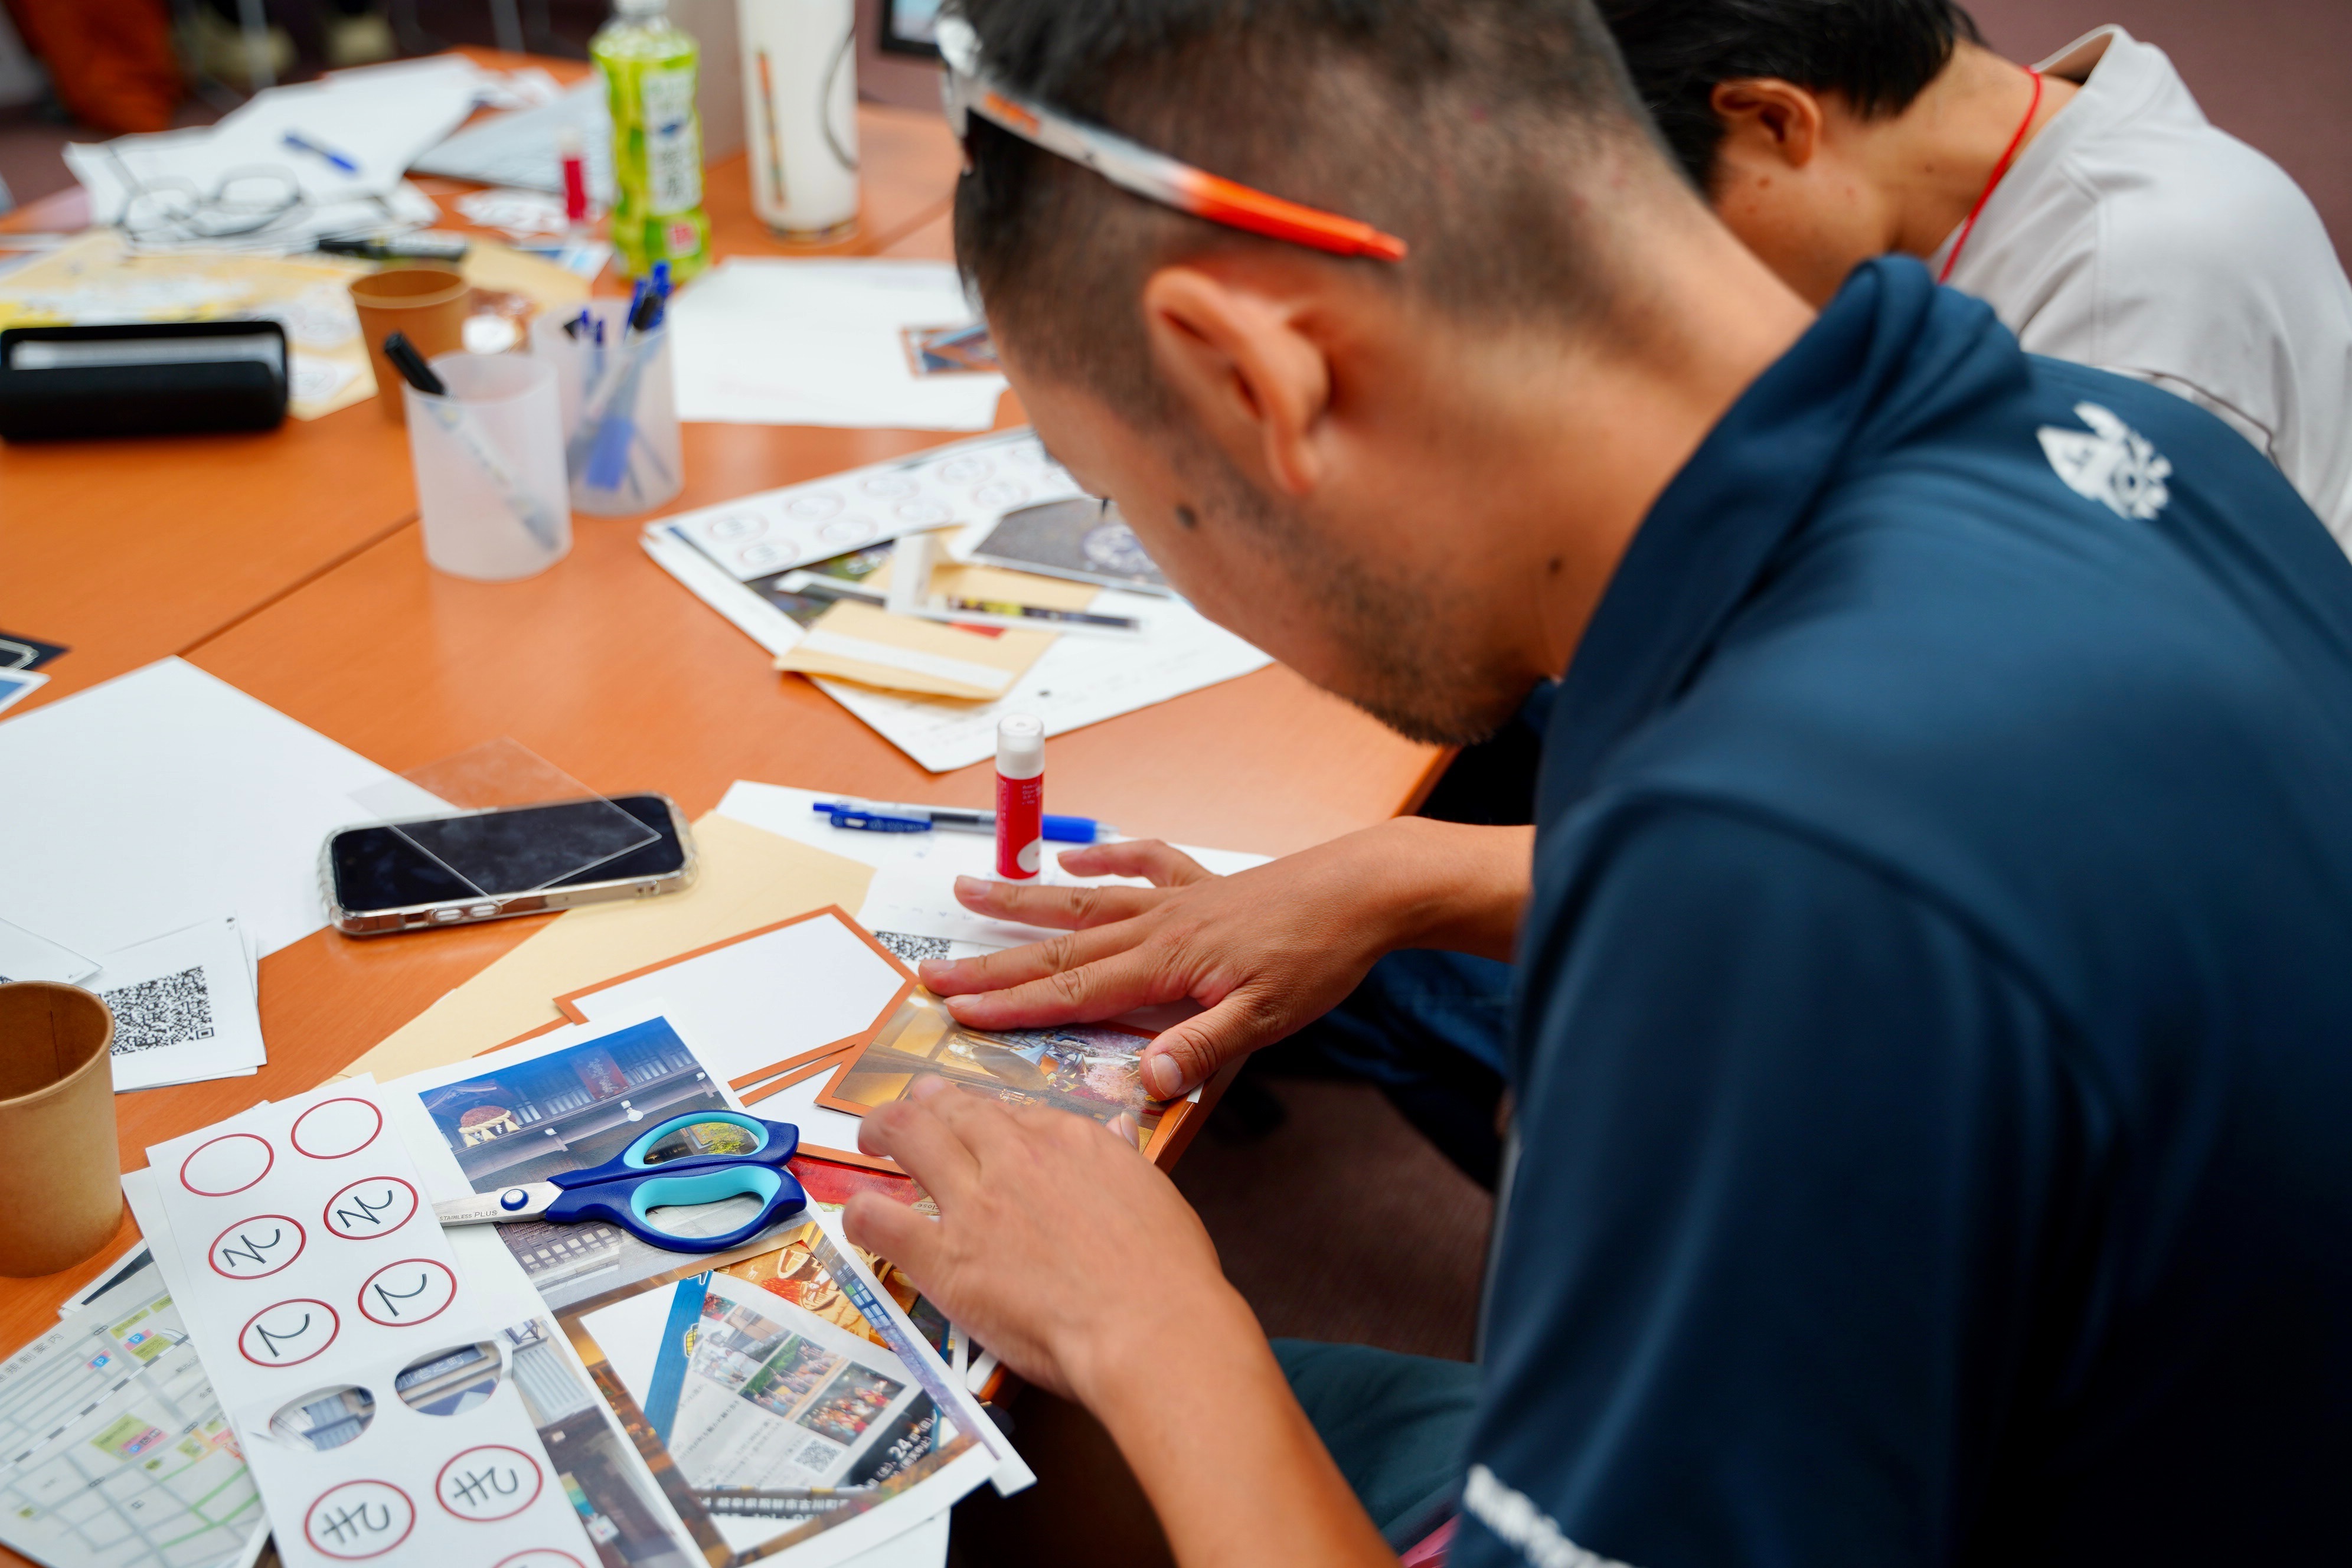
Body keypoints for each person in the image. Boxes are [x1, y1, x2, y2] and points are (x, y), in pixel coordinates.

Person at [837, 1, 2352, 1563]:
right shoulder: (2104, 435)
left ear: (1261, 377)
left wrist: (1147, 1320)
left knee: (974, 1459)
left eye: (1124, 501)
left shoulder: (1770, 877)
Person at [1597, 0, 2352, 553]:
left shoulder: (2128, 289)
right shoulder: (2030, 161)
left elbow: (2056, 678)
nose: (1696, 280)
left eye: (1684, 228)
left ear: (1774, 121)